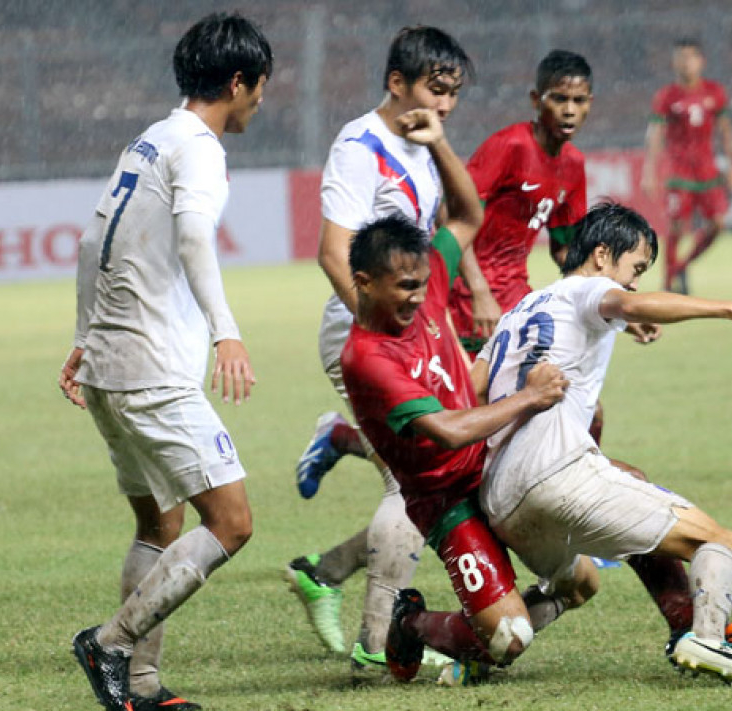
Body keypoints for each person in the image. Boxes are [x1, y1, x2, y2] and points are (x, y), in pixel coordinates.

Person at [420, 202, 732, 686]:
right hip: (554, 470)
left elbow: (473, 392)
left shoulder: (518, 312)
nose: (633, 282)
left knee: (580, 585)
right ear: (599, 255)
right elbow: (627, 302)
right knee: (716, 540)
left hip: (501, 499)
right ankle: (705, 637)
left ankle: (475, 654)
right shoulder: (591, 288)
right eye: (634, 268)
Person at [58, 13, 271, 711]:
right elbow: (193, 236)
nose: (261, 101)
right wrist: (226, 331)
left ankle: (140, 686)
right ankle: (111, 643)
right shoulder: (200, 149)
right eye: (259, 87)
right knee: (231, 520)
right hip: (152, 370)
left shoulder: (149, 140)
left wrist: (87, 334)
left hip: (108, 370)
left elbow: (92, 242)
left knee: (160, 524)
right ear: (237, 82)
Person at [284, 26, 480, 674]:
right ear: (396, 83)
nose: (444, 103)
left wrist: (466, 292)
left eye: (453, 93)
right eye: (434, 88)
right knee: (416, 478)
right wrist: (378, 337)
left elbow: (452, 227)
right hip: (365, 333)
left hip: (413, 331)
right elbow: (332, 251)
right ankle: (376, 640)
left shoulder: (422, 145)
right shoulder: (358, 147)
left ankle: (326, 570)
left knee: (427, 479)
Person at [341, 208, 568, 683]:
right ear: (363, 282)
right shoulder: (366, 358)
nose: (420, 296)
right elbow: (448, 430)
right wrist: (531, 397)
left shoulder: (423, 289)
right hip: (448, 501)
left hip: (494, 466)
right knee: (509, 639)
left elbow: (467, 215)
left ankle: (486, 627)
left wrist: (435, 139)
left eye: (423, 283)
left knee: (581, 582)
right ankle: (412, 624)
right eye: (406, 285)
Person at [449, 50, 591, 356]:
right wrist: (479, 290)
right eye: (559, 99)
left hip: (515, 292)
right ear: (536, 100)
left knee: (568, 395)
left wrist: (605, 296)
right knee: (479, 398)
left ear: (590, 104)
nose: (569, 110)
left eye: (579, 101)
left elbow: (565, 249)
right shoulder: (510, 146)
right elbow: (454, 220)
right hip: (465, 292)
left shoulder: (574, 166)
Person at [641, 38, 732, 295]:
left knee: (718, 224)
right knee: (676, 228)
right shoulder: (666, 96)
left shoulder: (715, 92)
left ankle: (681, 266)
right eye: (681, 57)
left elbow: (725, 131)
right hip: (678, 172)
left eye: (691, 57)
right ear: (674, 62)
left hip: (707, 172)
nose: (686, 62)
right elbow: (656, 135)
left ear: (701, 61)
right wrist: (650, 171)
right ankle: (667, 283)